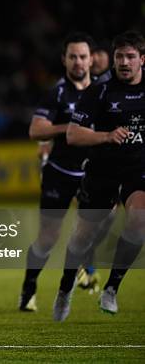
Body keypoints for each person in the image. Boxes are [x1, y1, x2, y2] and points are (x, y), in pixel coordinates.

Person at [19, 32, 116, 312]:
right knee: (48, 239)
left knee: (107, 216)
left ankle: (85, 259)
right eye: (72, 56)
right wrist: (70, 129)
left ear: (91, 59)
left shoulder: (103, 92)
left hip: (92, 173)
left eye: (83, 56)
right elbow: (35, 130)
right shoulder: (57, 93)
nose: (78, 62)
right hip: (60, 172)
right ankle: (29, 285)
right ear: (64, 59)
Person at [54, 30, 145, 321]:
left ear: (142, 59)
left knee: (140, 219)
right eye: (119, 56)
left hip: (137, 170)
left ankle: (111, 289)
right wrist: (106, 135)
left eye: (130, 56)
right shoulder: (100, 91)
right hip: (102, 171)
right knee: (81, 239)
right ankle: (65, 288)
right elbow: (72, 134)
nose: (124, 62)